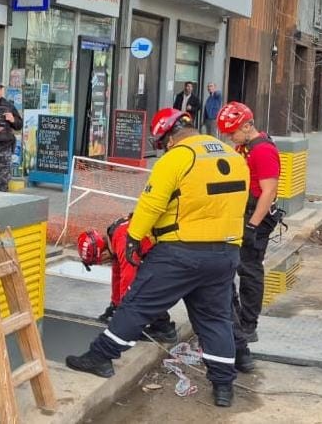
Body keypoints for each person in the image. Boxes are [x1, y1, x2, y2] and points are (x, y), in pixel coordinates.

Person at [66, 108, 249, 408]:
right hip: (225, 253)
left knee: (137, 305)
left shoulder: (177, 158)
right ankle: (223, 385)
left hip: (180, 252)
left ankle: (100, 356)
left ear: (167, 136)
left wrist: (134, 238)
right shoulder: (232, 156)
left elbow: (151, 204)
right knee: (216, 318)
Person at [217, 102, 282, 368]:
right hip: (243, 212)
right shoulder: (246, 147)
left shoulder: (263, 151)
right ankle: (237, 317)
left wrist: (253, 226)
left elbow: (269, 191)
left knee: (250, 269)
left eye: (232, 132)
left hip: (256, 215)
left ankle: (248, 323)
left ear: (246, 126)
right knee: (237, 266)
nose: (230, 137)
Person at [77, 215, 177, 344]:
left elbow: (129, 277)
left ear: (103, 253)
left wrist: (125, 313)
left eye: (99, 261)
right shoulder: (114, 238)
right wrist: (115, 304)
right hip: (164, 254)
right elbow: (117, 273)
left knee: (144, 287)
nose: (101, 263)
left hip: (173, 259)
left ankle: (164, 328)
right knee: (142, 282)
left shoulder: (122, 242)